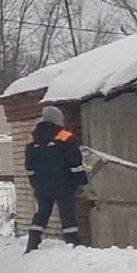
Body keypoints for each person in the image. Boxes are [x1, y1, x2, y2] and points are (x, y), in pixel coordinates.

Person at [24, 105, 88, 252]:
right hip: (64, 183)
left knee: (42, 212)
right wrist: (81, 179)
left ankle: (32, 243)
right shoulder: (65, 136)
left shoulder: (32, 138)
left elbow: (29, 164)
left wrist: (34, 183)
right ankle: (72, 244)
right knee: (67, 213)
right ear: (58, 120)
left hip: (41, 185)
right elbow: (75, 161)